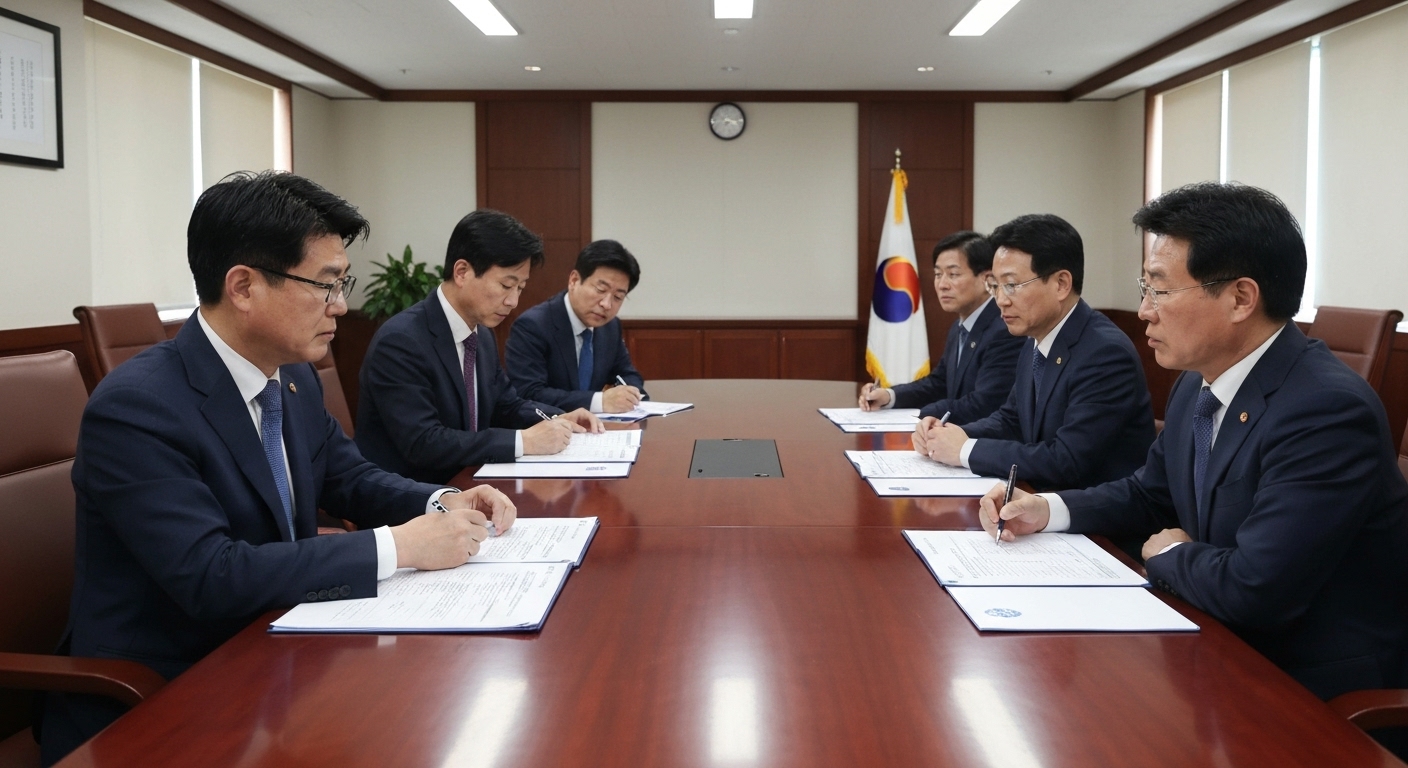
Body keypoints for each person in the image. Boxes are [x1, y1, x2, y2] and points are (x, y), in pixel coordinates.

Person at [42, 172, 516, 765]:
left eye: (340, 283)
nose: (342, 304)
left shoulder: (289, 379)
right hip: (165, 699)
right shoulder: (136, 408)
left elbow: (348, 477)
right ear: (243, 286)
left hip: (273, 659)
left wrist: (440, 501)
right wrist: (399, 547)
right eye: (324, 284)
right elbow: (211, 576)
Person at [980, 183, 1408, 703]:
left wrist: (1170, 553)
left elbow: (1257, 590)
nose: (1143, 311)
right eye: (1145, 289)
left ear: (1240, 298)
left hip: (1302, 687)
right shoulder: (1197, 384)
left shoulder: (1326, 411)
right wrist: (1046, 509)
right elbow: (1148, 494)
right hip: (1213, 648)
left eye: (1159, 290)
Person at [356, 210, 602, 485]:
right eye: (506, 285)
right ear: (462, 272)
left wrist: (557, 417)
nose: (513, 301)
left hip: (470, 483)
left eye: (520, 288)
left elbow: (506, 405)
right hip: (414, 499)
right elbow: (424, 442)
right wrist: (524, 441)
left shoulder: (481, 334)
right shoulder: (402, 341)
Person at [913, 214, 1155, 490]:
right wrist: (949, 433)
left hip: (1097, 525)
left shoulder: (1105, 354)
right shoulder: (1036, 338)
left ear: (1061, 284)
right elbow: (1011, 419)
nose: (1001, 300)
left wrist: (966, 450)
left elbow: (1066, 460)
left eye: (1012, 285)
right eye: (996, 286)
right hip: (1040, 505)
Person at [858, 230, 1025, 423]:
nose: (942, 284)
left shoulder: (1004, 329)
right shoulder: (959, 327)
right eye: (938, 274)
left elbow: (985, 403)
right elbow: (939, 383)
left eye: (953, 274)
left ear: (987, 280)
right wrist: (889, 396)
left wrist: (916, 415)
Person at [505, 239, 647, 413]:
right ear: (574, 280)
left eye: (618, 297)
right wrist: (599, 401)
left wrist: (630, 393)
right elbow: (529, 392)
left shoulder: (610, 327)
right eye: (600, 290)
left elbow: (627, 374)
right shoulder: (533, 326)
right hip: (548, 429)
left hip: (597, 431)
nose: (606, 304)